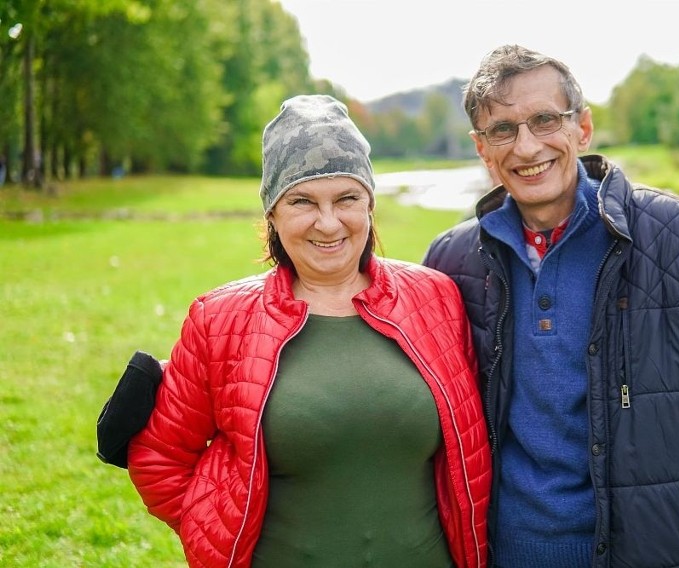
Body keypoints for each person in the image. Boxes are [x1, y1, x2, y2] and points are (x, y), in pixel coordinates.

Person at [422, 44, 679, 568]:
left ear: (582, 128)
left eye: (545, 120)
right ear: (482, 148)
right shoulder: (453, 261)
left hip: (652, 552)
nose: (526, 147)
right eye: (503, 129)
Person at [123, 94, 490, 567]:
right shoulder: (220, 320)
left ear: (370, 204)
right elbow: (159, 456)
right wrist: (212, 528)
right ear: (272, 213)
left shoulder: (435, 299)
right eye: (302, 201)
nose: (329, 222)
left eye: (346, 198)